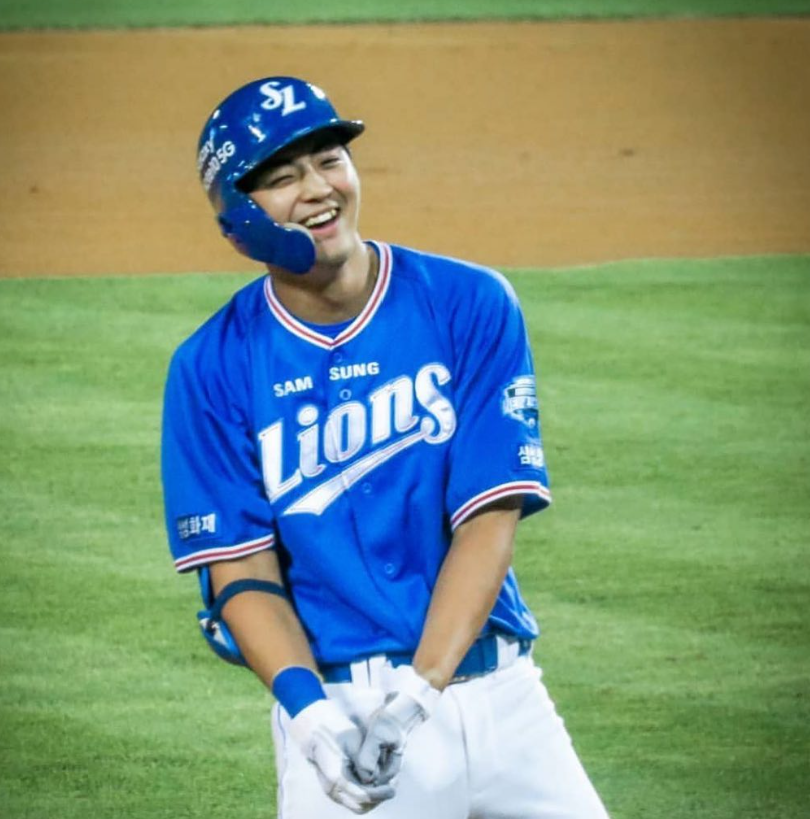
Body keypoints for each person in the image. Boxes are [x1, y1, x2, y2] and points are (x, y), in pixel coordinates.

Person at [161, 76, 610, 818]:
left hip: (502, 700)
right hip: (339, 716)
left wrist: (418, 693)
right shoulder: (211, 367)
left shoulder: (469, 302)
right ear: (241, 218)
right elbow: (242, 569)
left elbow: (488, 519)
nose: (318, 189)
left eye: (329, 159)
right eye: (283, 176)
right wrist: (309, 716)